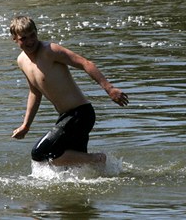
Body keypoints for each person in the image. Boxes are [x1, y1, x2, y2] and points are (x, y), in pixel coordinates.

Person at [10, 16, 129, 166]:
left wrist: (109, 88)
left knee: (40, 153)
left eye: (32, 35)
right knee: (75, 168)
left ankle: (99, 158)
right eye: (23, 38)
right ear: (14, 39)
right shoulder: (22, 61)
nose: (30, 41)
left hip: (80, 114)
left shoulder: (50, 50)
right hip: (65, 117)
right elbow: (35, 92)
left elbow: (85, 63)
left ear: (37, 32)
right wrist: (26, 126)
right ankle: (100, 167)